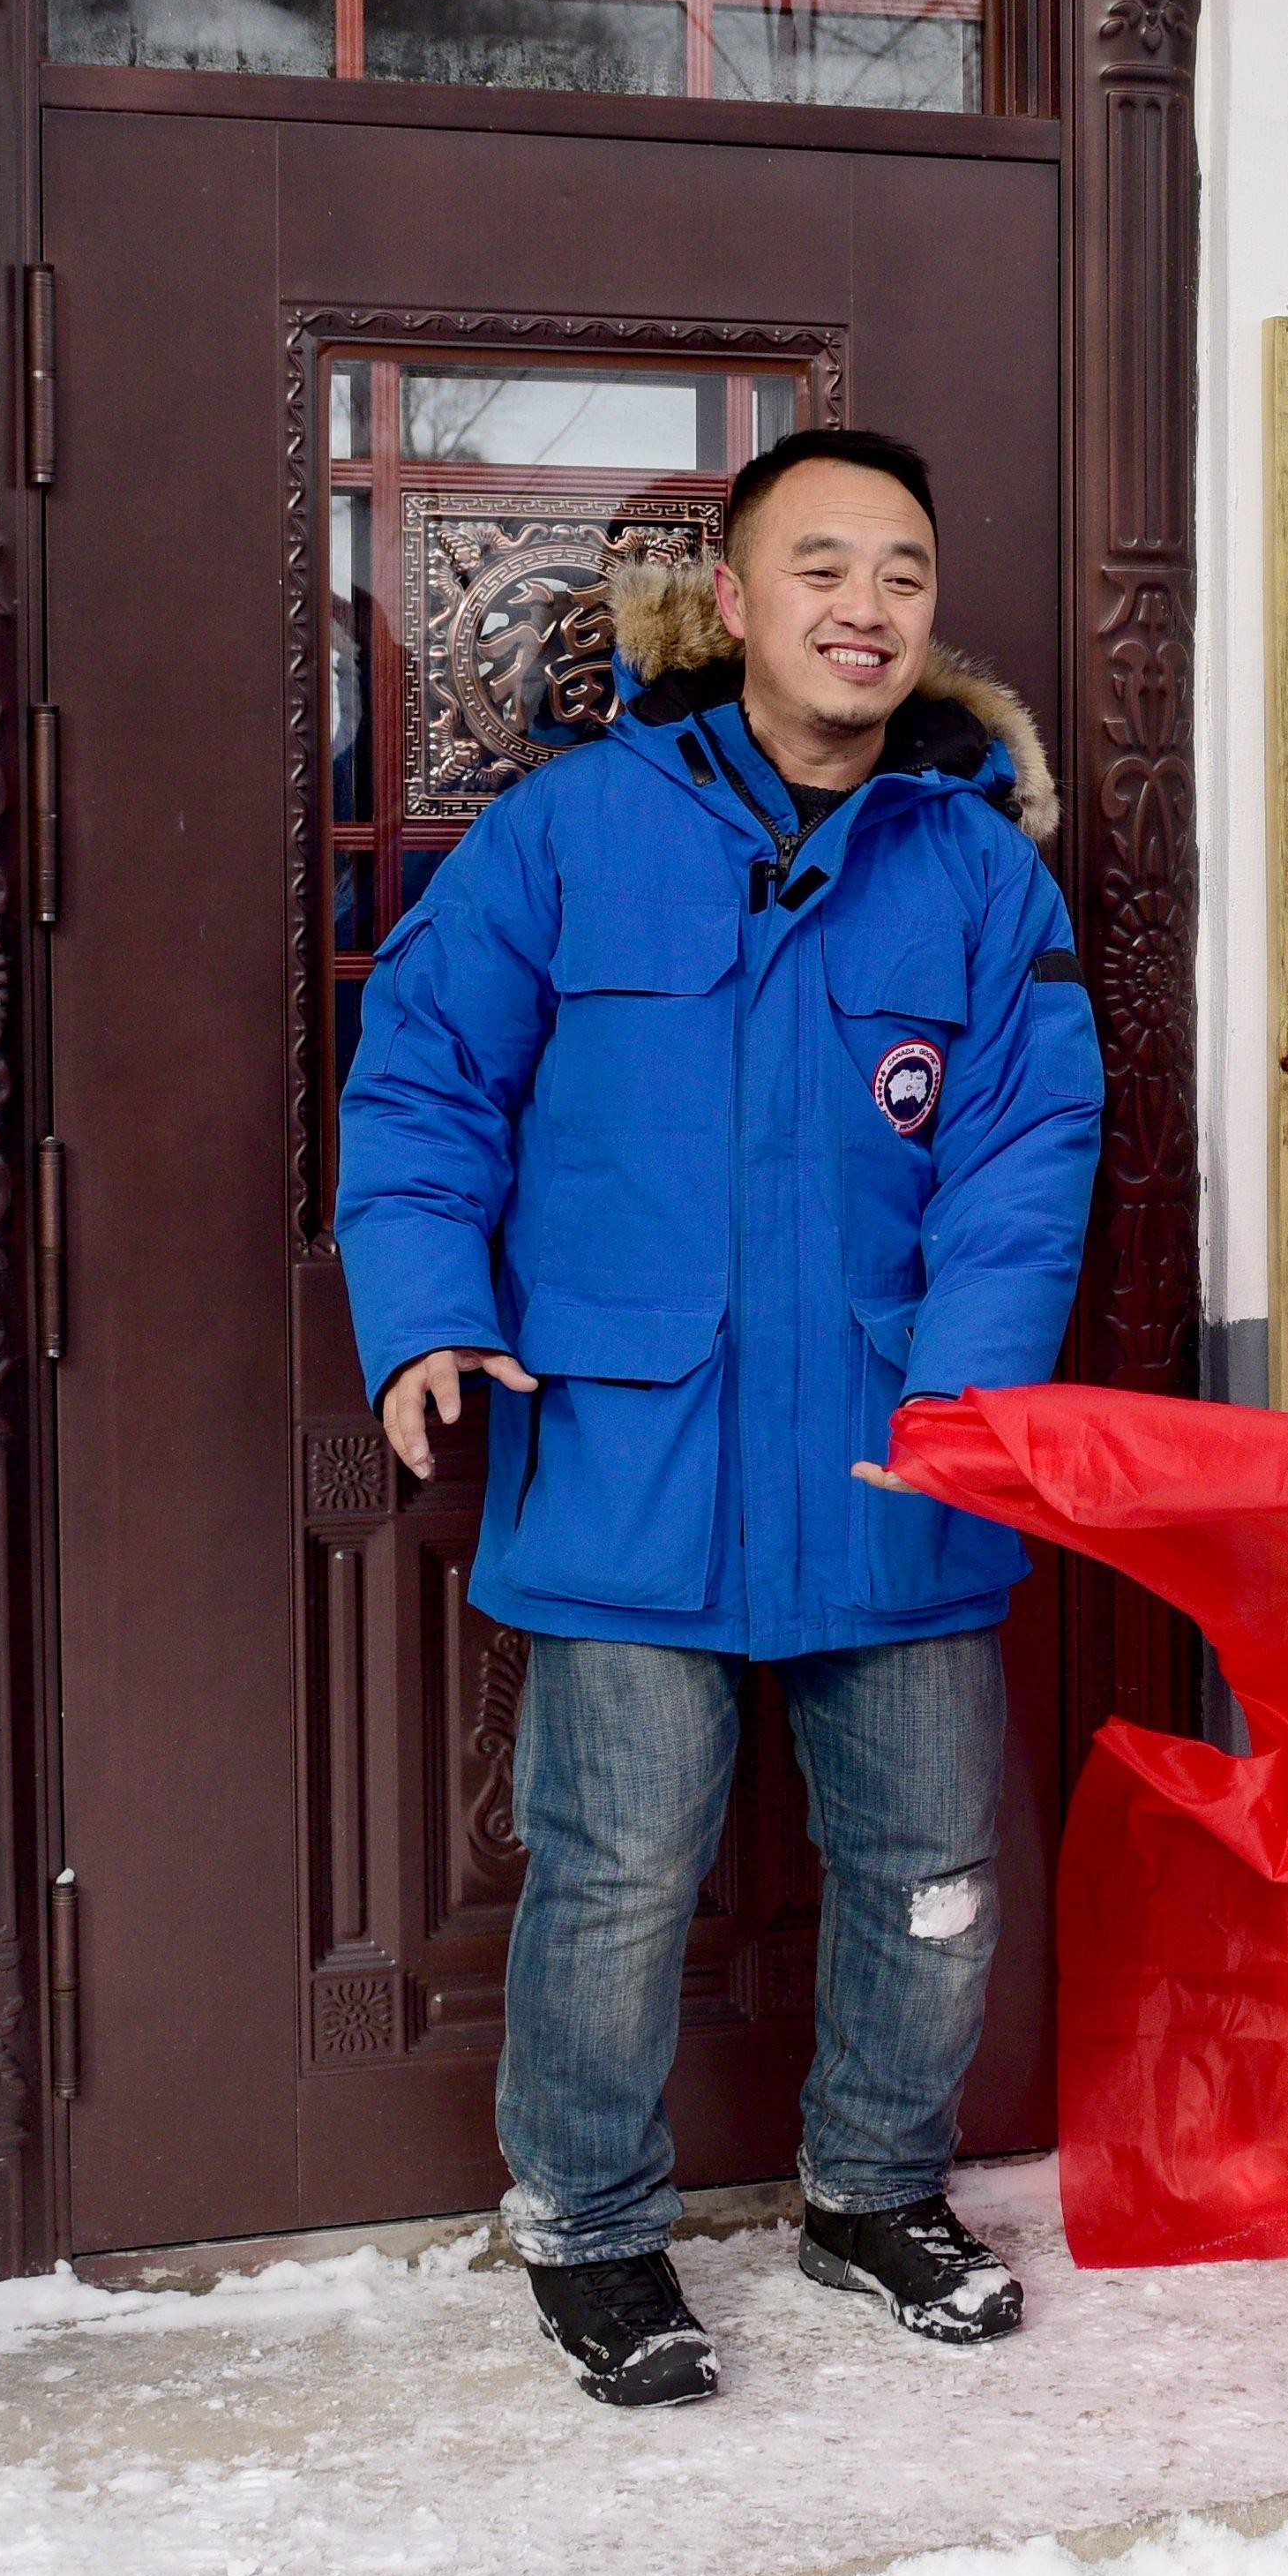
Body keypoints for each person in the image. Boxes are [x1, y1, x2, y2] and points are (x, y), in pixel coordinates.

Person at [339, 424, 1102, 2409]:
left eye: (904, 575)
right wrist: (424, 1306)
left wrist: (970, 1382)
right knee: (612, 1872)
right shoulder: (571, 835)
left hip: (897, 1451)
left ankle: (872, 2189)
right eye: (825, 567)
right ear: (738, 601)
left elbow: (1028, 1142)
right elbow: (422, 1078)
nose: (867, 607)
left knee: (931, 1865)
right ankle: (588, 2226)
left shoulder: (966, 866)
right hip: (630, 1441)